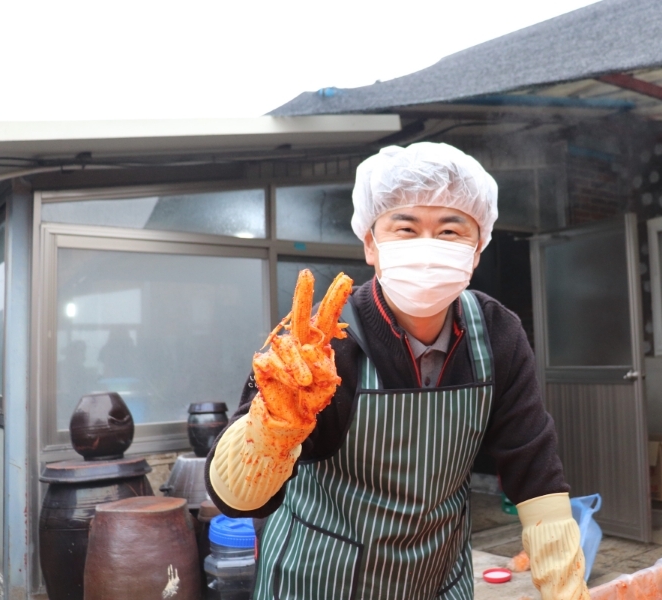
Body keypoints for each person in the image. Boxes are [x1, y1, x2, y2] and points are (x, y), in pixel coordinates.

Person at [206, 142, 590, 600]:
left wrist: (568, 590)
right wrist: (273, 427)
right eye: (405, 228)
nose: (427, 246)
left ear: (477, 249)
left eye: (450, 231)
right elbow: (237, 499)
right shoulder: (319, 343)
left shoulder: (496, 332)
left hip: (437, 580)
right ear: (371, 244)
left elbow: (535, 472)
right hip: (318, 579)